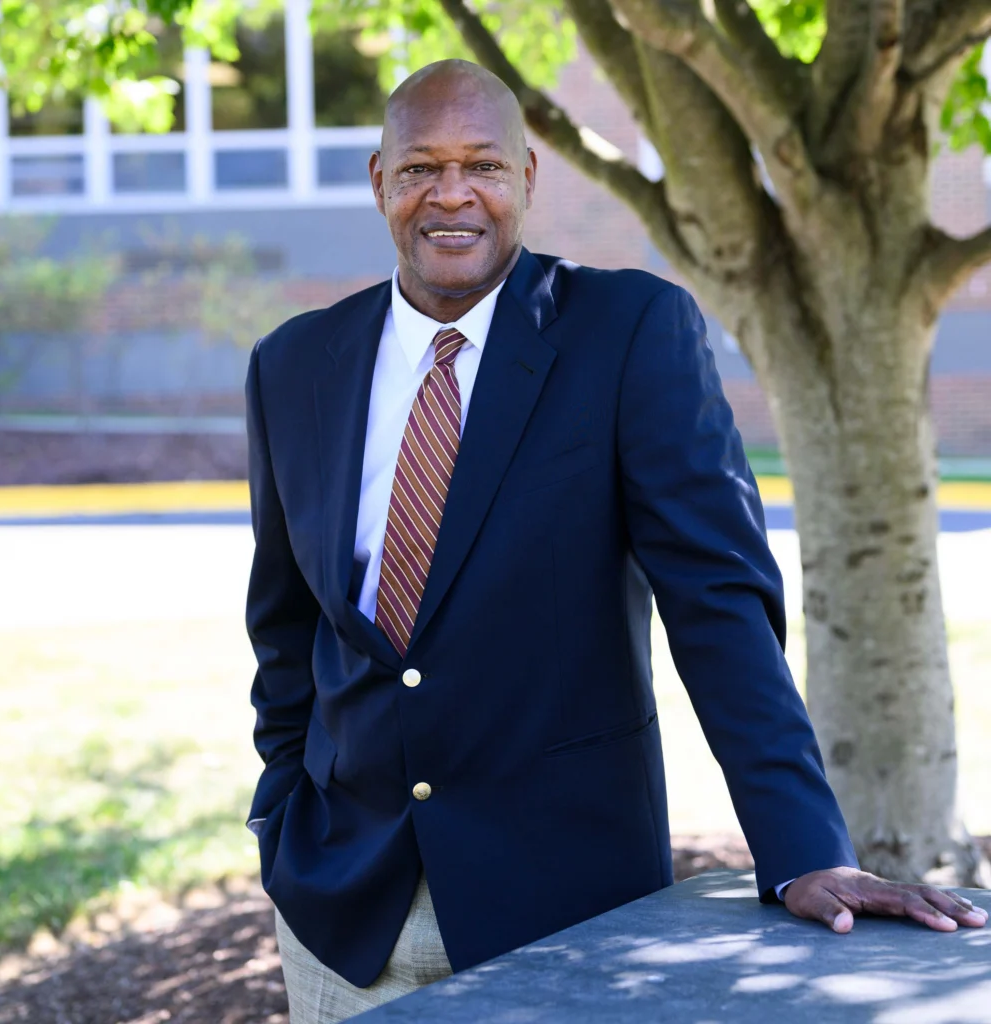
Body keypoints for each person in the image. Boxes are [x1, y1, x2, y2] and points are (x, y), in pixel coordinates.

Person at [243, 59, 987, 1024]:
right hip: (340, 917)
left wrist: (804, 847)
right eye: (422, 167)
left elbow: (719, 609)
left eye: (484, 165)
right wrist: (280, 815)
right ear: (379, 181)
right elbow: (284, 627)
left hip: (567, 916)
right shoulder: (294, 365)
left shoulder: (628, 333)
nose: (453, 194)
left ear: (528, 178)